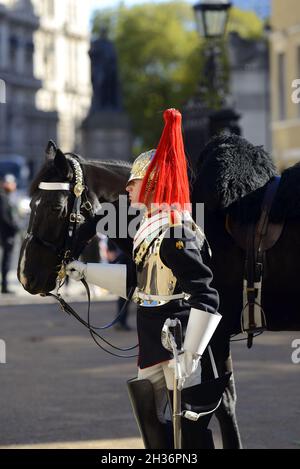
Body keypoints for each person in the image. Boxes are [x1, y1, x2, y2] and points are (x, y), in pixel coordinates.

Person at [66, 109, 222, 449]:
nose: (128, 187)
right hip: (150, 337)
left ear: (151, 184)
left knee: (189, 434)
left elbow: (205, 296)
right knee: (152, 428)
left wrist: (191, 355)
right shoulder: (146, 230)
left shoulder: (176, 232)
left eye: (134, 182)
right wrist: (87, 271)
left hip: (179, 340)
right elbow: (142, 286)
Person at [106, 239, 133, 331]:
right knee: (124, 298)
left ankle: (120, 322)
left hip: (125, 268)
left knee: (124, 298)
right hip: (125, 269)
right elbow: (111, 253)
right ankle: (120, 322)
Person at [0, 174, 19, 294]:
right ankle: (4, 285)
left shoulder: (7, 197)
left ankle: (5, 285)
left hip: (7, 233)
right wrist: (16, 227)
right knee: (6, 260)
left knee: (7, 260)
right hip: (6, 234)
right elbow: (5, 218)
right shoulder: (3, 197)